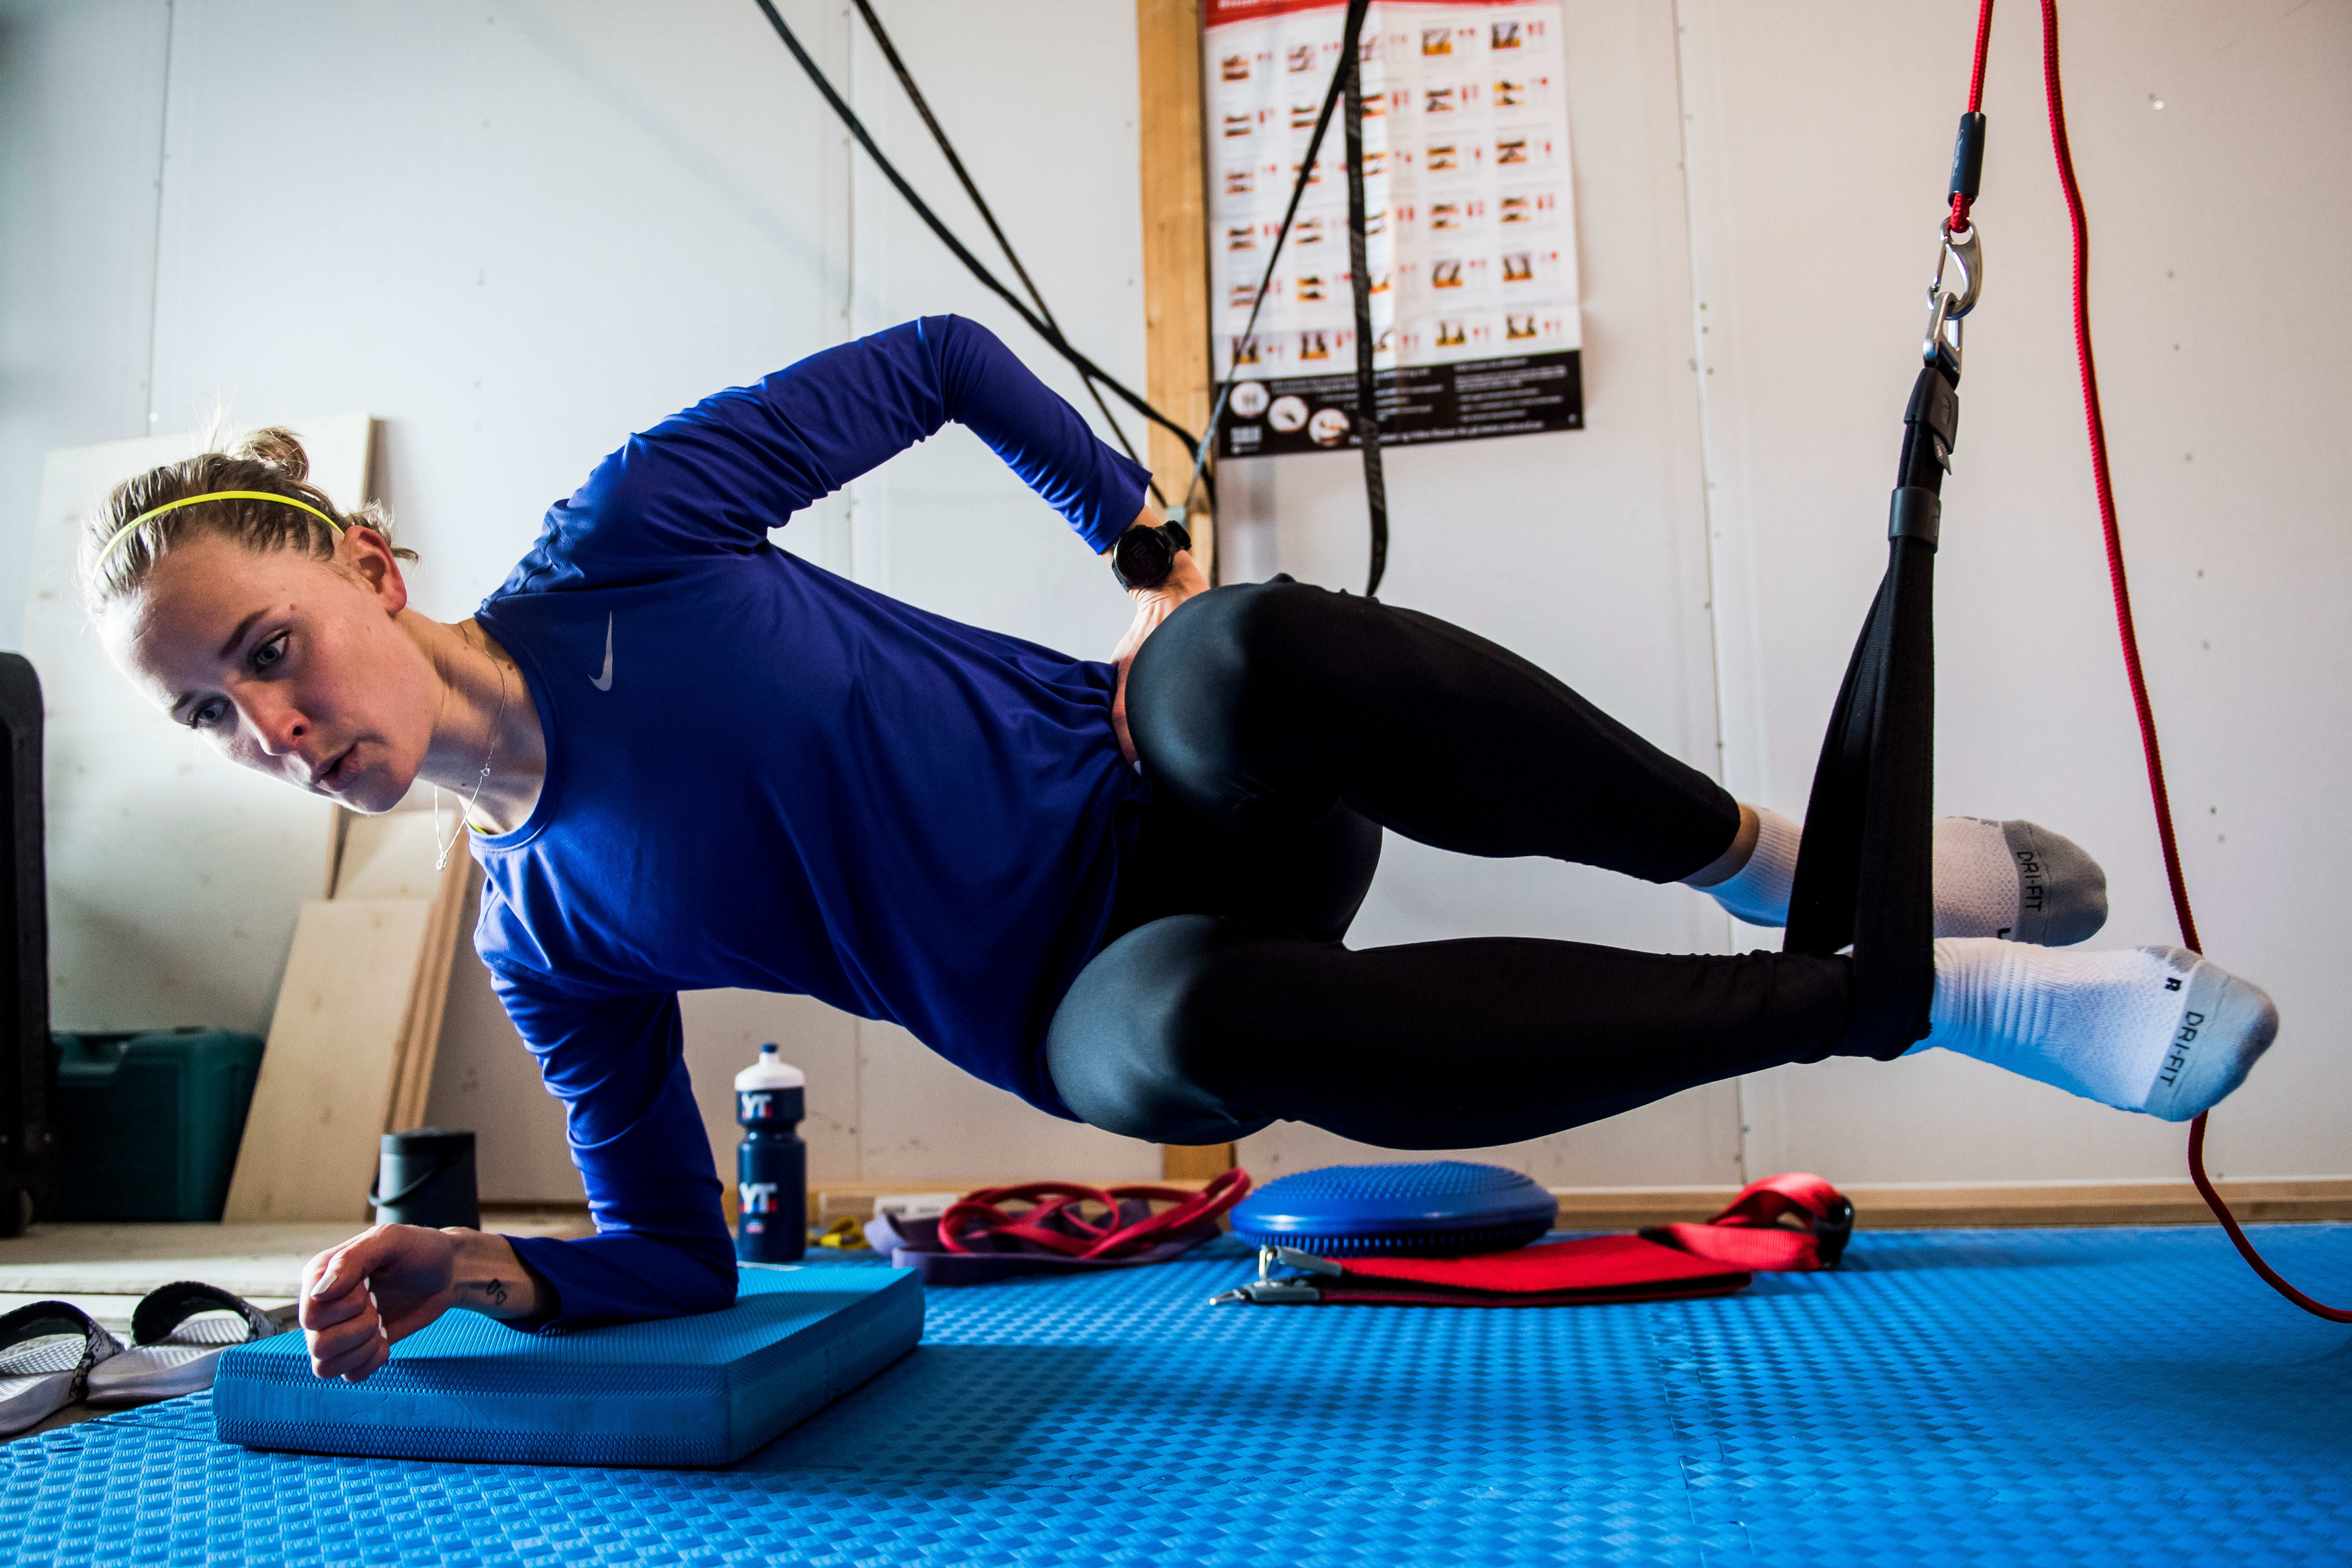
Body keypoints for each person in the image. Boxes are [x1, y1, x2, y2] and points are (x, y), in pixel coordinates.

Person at [86, 316, 2278, 1383]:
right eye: (210, 718)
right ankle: (1905, 991)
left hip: (1175, 781)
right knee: (1174, 1039)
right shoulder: (546, 933)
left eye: (268, 648)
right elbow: (671, 1254)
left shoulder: (629, 537)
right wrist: (474, 1265)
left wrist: (1135, 548)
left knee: (1235, 654)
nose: (273, 725)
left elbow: (941, 360)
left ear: (367, 567)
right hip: (1099, 992)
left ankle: (1762, 857)